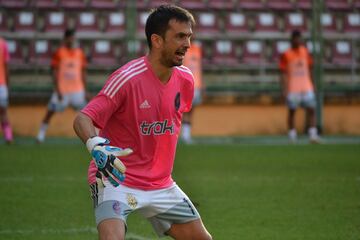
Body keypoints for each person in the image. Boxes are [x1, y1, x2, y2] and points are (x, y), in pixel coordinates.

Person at [73, 5, 212, 240]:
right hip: (115, 179)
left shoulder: (186, 79)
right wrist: (95, 145)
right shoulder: (127, 79)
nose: (187, 44)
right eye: (180, 36)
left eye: (189, 36)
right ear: (156, 40)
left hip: (161, 185)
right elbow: (83, 118)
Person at [37, 29, 87, 143]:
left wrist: (85, 89)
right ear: (65, 39)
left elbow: (83, 72)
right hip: (62, 90)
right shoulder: (59, 52)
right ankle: (41, 135)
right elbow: (54, 71)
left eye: (73, 38)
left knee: (87, 115)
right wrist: (57, 89)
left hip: (77, 90)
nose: (71, 40)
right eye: (69, 37)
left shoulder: (80, 53)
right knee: (50, 111)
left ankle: (91, 139)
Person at [279, 30, 320, 143]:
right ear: (292, 40)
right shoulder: (286, 54)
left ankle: (313, 135)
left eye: (299, 38)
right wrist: (284, 89)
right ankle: (292, 135)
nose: (298, 40)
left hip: (307, 86)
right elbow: (283, 73)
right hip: (293, 88)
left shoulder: (305, 52)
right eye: (296, 38)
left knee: (311, 110)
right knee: (292, 112)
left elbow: (310, 68)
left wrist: (313, 84)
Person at [181, 40, 203, 144]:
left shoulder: (197, 49)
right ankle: (181, 135)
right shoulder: (183, 49)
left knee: (191, 110)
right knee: (183, 110)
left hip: (196, 84)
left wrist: (202, 83)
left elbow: (199, 68)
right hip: (186, 85)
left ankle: (186, 135)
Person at [0, 37, 13, 144]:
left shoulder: (3, 44)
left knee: (3, 111)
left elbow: (6, 65)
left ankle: (8, 136)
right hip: (2, 85)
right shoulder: (3, 43)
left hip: (1, 83)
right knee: (3, 112)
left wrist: (7, 84)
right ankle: (8, 136)